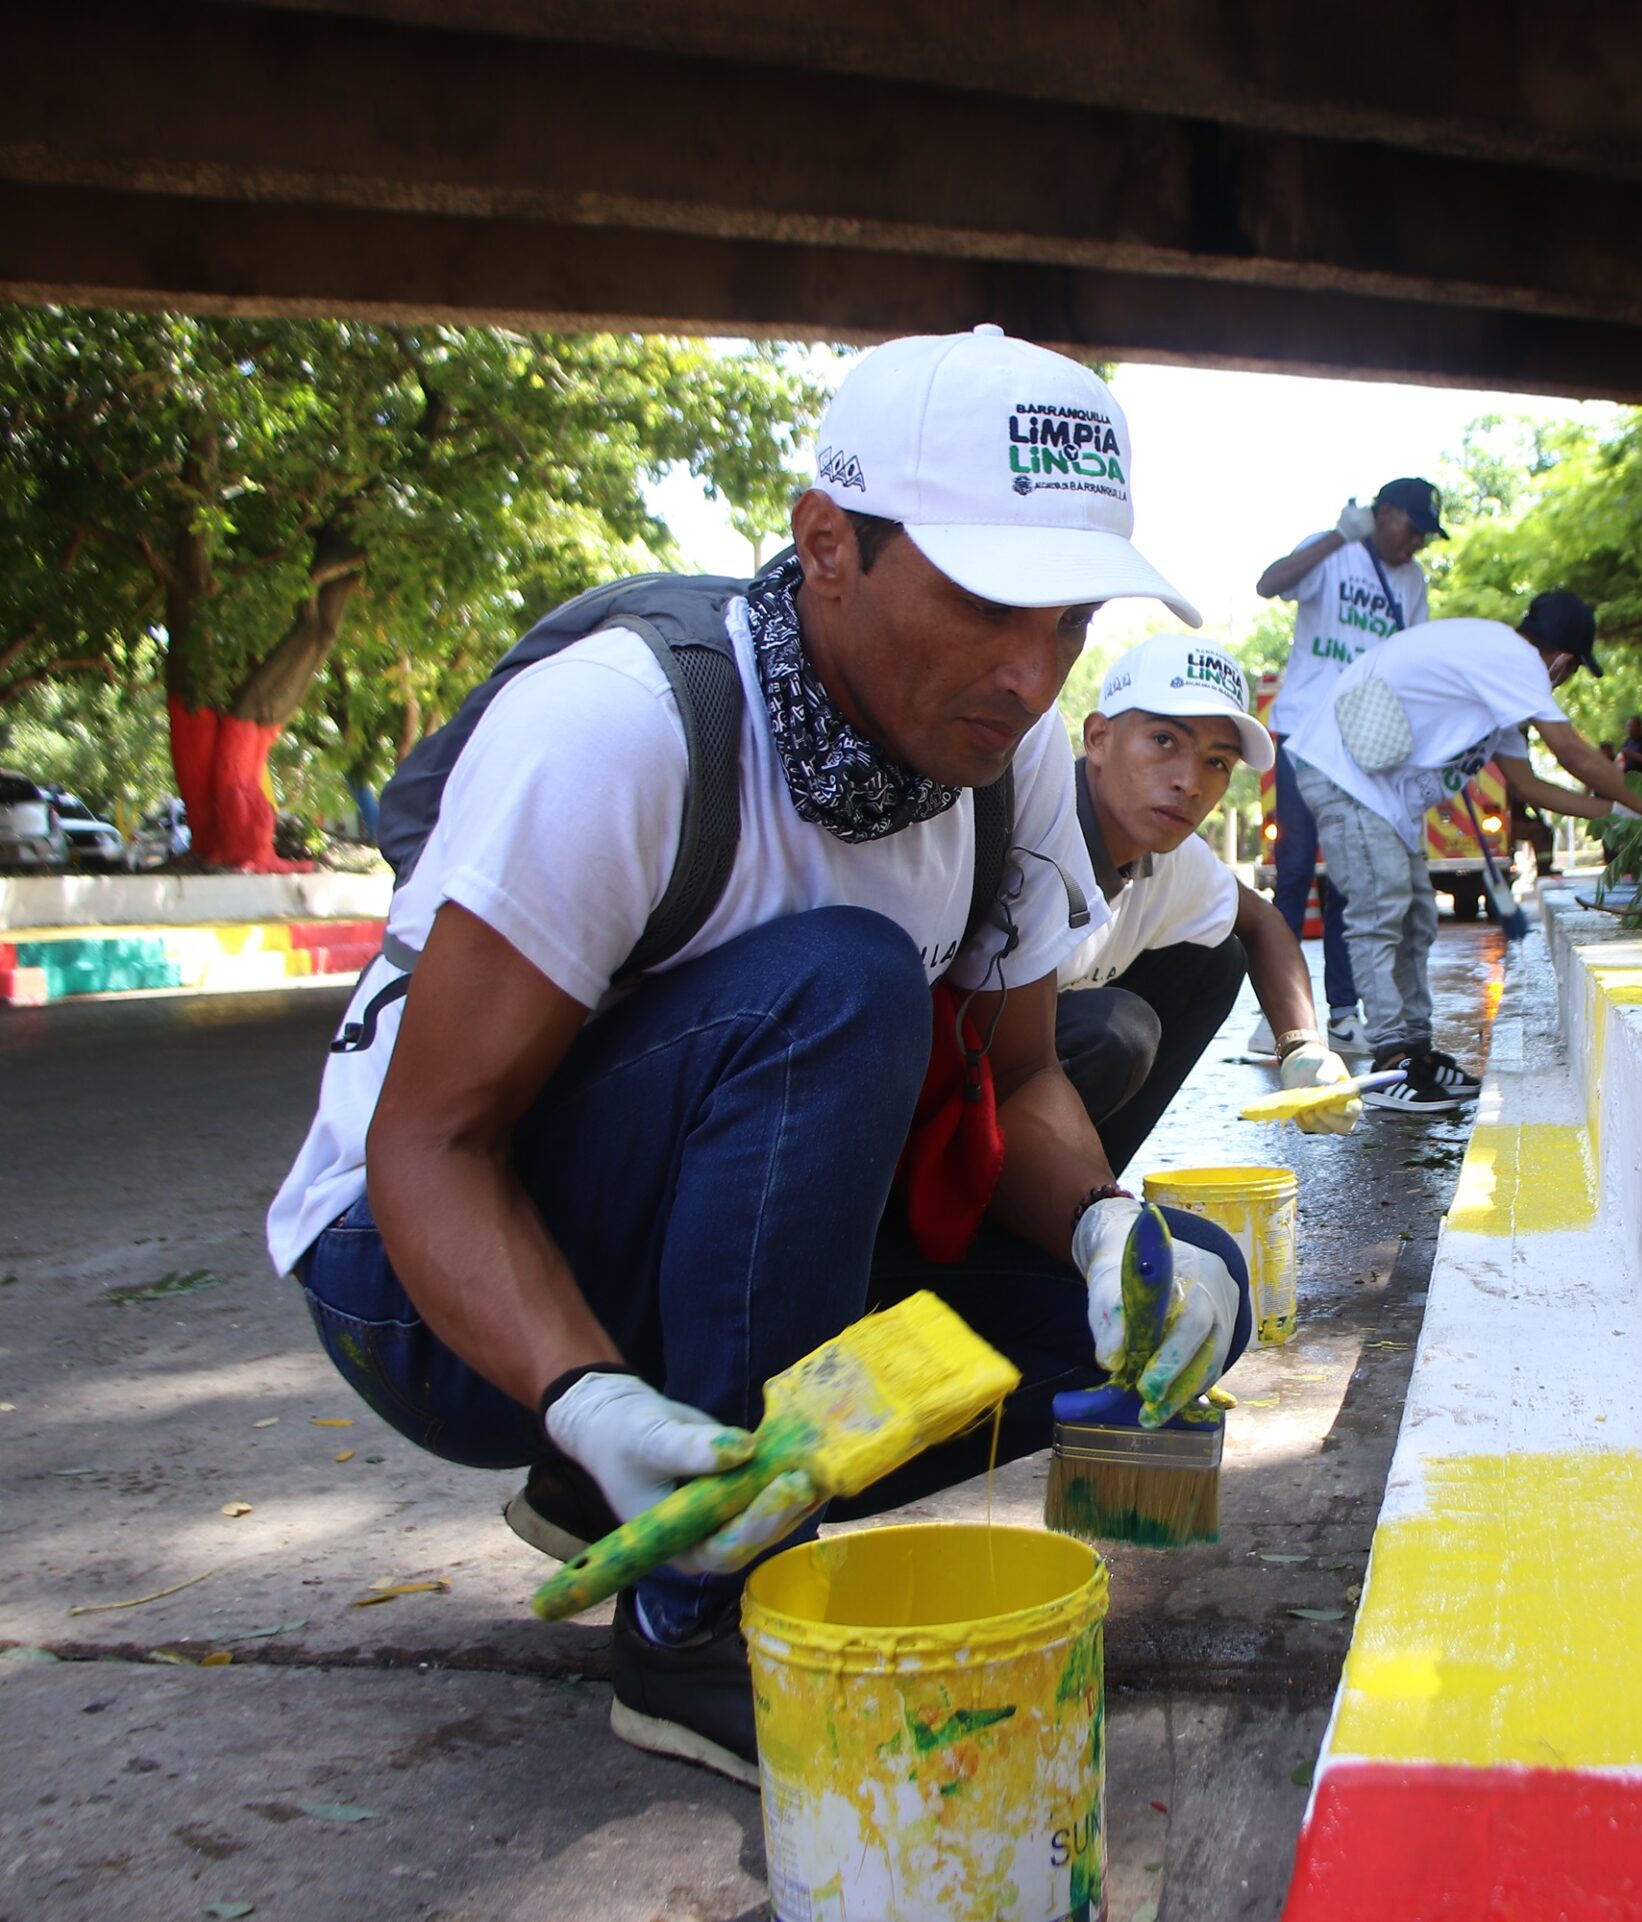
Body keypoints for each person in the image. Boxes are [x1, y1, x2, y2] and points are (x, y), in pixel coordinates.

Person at [264, 327, 1255, 1787]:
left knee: (1160, 1323)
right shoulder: (627, 723)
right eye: (988, 601)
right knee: (843, 984)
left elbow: (1028, 1076)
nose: (1030, 673)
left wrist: (1116, 1228)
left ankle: (653, 1477)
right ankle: (692, 1616)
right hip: (421, 1288)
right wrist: (580, 1385)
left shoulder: (1011, 758)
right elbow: (434, 1143)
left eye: (1066, 621)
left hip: (672, 1251)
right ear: (828, 545)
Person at [1284, 592, 1642, 1112]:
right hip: (1344, 776)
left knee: (1416, 916)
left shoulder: (1498, 683)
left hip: (1379, 797)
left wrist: (1616, 814)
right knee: (1382, 909)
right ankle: (1390, 1064)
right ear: (1563, 662)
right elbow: (1572, 754)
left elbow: (1526, 785)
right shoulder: (1515, 661)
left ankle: (1415, 1049)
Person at [1053, 633, 1359, 1170]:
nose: (1190, 783)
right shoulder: (1033, 826)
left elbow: (1263, 923)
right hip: (952, 1086)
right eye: (1165, 740)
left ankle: (1090, 1184)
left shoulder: (1173, 857)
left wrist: (1302, 1047)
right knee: (1116, 1031)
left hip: (1025, 1076)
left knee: (1219, 957)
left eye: (1218, 762)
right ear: (1099, 738)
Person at [1252, 477, 1443, 1056]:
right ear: (1382, 515)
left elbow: (1412, 660)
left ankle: (1340, 1012)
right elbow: (1269, 584)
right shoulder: (1332, 553)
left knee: (1349, 880)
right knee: (1292, 872)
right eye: (1411, 529)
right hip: (1305, 734)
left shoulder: (1410, 581)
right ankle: (1276, 1017)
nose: (1415, 545)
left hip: (1363, 748)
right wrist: (1339, 535)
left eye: (1424, 537)